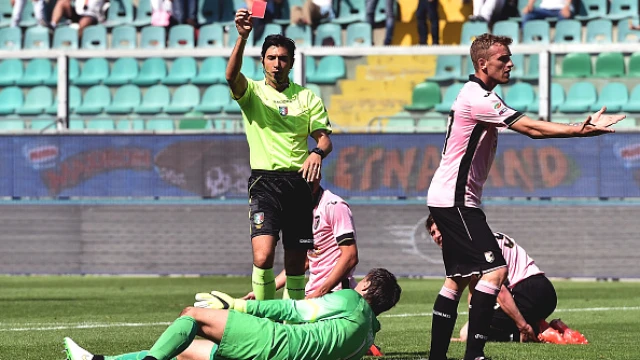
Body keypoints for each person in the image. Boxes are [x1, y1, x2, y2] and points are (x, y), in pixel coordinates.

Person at [425, 33, 623, 360]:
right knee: (495, 271)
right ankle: (474, 354)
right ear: (482, 63)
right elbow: (531, 128)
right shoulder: (480, 98)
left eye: (509, 57)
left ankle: (437, 357)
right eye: (503, 59)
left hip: (451, 198)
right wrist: (581, 129)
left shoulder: (475, 95)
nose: (510, 63)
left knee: (456, 280)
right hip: (456, 200)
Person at [226, 10, 333, 305]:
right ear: (262, 61)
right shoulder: (252, 94)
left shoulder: (307, 98)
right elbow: (230, 76)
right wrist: (243, 36)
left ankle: (294, 321)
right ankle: (263, 316)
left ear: (292, 63)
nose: (277, 64)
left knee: (297, 263)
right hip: (265, 182)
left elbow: (325, 139)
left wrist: (316, 153)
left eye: (283, 58)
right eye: (271, 58)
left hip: (299, 184)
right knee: (263, 256)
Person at [63, 268, 402, 360]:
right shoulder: (365, 340)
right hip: (279, 354)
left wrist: (238, 305)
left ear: (367, 287)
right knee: (183, 354)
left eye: (363, 281)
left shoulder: (350, 300)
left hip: (274, 343)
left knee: (192, 315)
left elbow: (292, 309)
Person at [426, 214, 560, 343]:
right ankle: (543, 325)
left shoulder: (472, 246)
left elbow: (499, 291)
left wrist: (523, 326)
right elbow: (474, 289)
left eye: (440, 229)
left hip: (528, 292)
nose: (437, 235)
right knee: (472, 328)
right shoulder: (484, 238)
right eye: (432, 233)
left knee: (470, 332)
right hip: (546, 291)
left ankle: (540, 331)